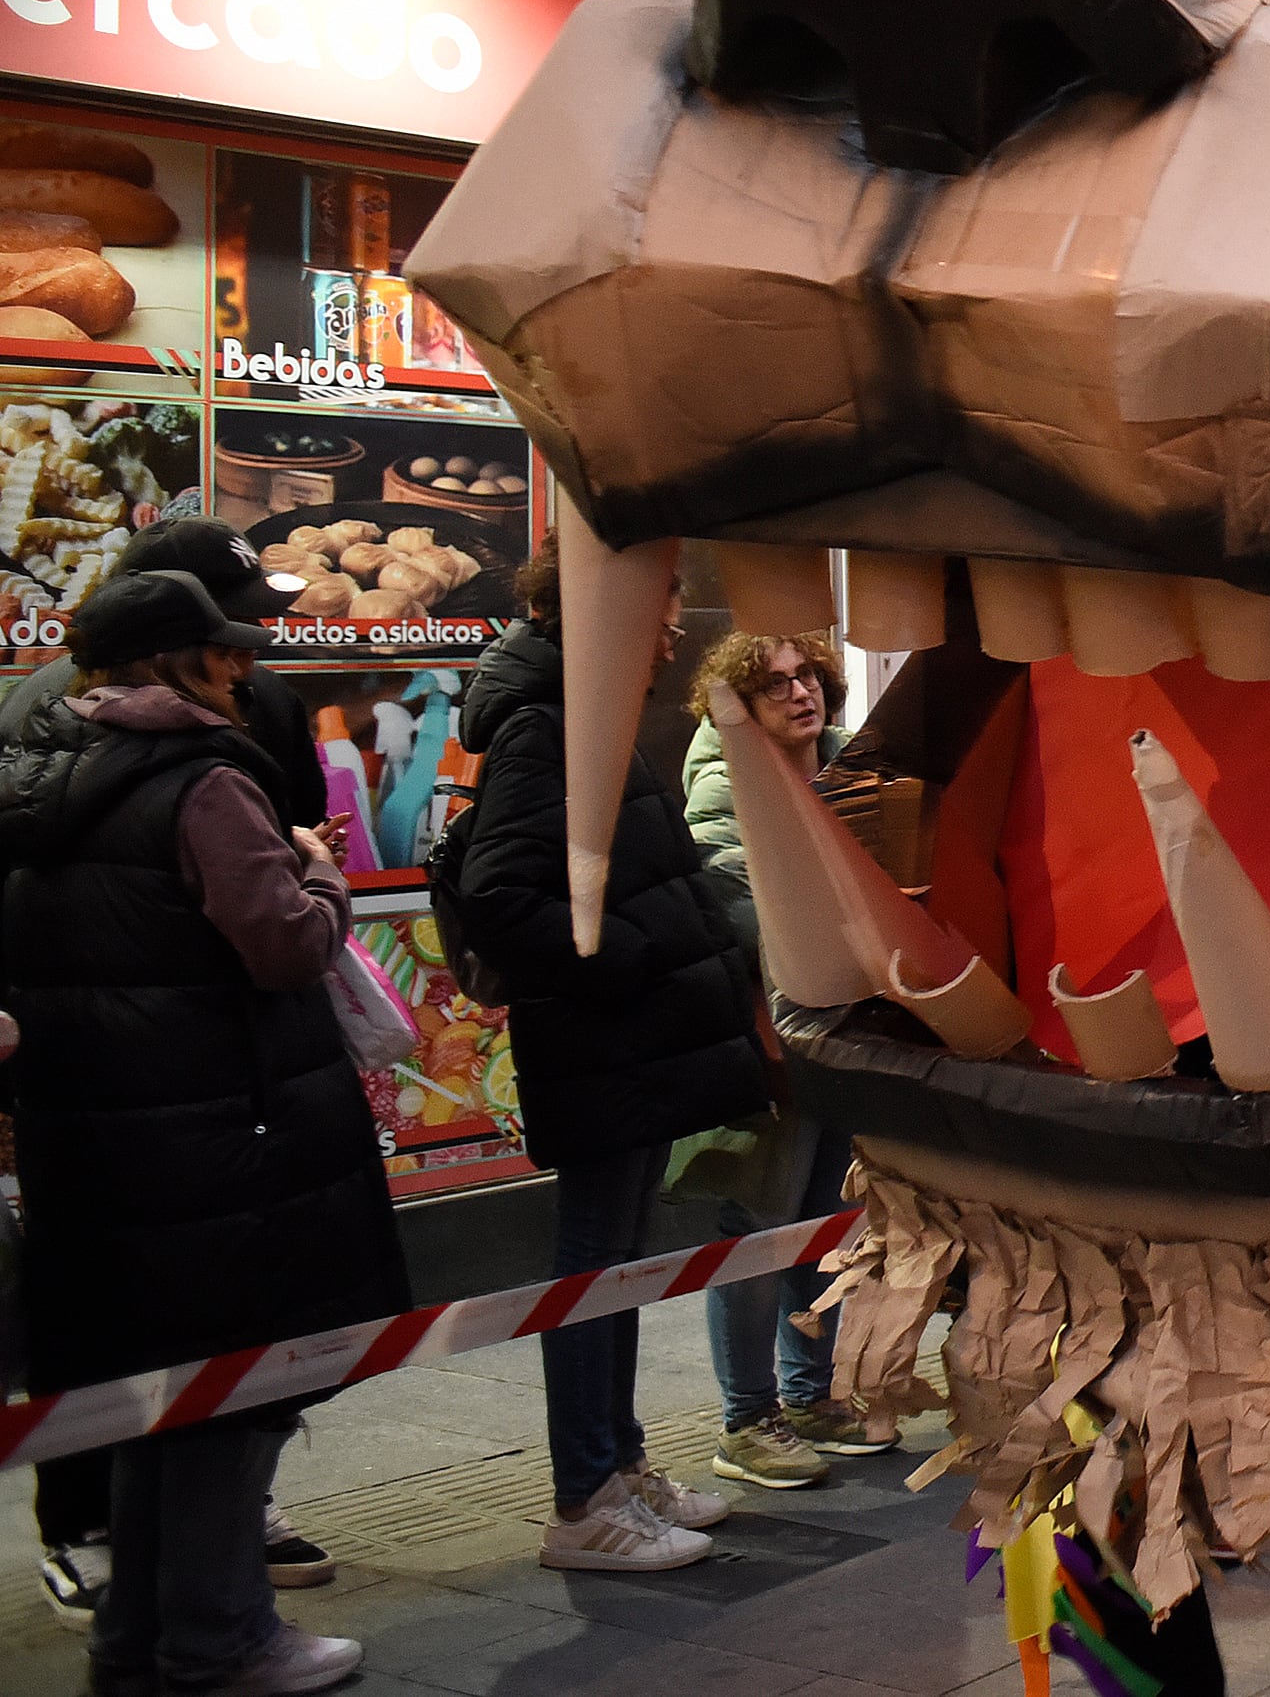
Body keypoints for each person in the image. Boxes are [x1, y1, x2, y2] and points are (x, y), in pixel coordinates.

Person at [1, 570, 410, 1695]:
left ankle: (138, 1634)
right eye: (223, 653)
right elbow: (280, 945)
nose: (243, 670)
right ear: (180, 663)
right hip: (228, 1134)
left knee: (151, 1396)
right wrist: (322, 877)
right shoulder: (206, 779)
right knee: (232, 1391)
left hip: (95, 1140)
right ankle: (222, 1636)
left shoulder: (35, 776)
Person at [459, 536, 769, 1571]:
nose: (676, 622)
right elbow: (505, 893)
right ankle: (584, 1497)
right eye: (662, 600)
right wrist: (633, 958)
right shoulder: (546, 725)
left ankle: (617, 1463)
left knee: (618, 1260)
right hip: (602, 1043)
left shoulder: (585, 713)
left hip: (625, 1047)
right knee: (591, 1263)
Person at [677, 628, 886, 1494]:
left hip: (838, 1023)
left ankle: (811, 1394)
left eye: (808, 677)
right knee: (757, 1227)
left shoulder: (848, 770)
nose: (801, 695)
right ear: (738, 707)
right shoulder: (722, 789)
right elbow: (756, 915)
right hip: (765, 1038)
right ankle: (746, 1417)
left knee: (823, 1221)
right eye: (774, 686)